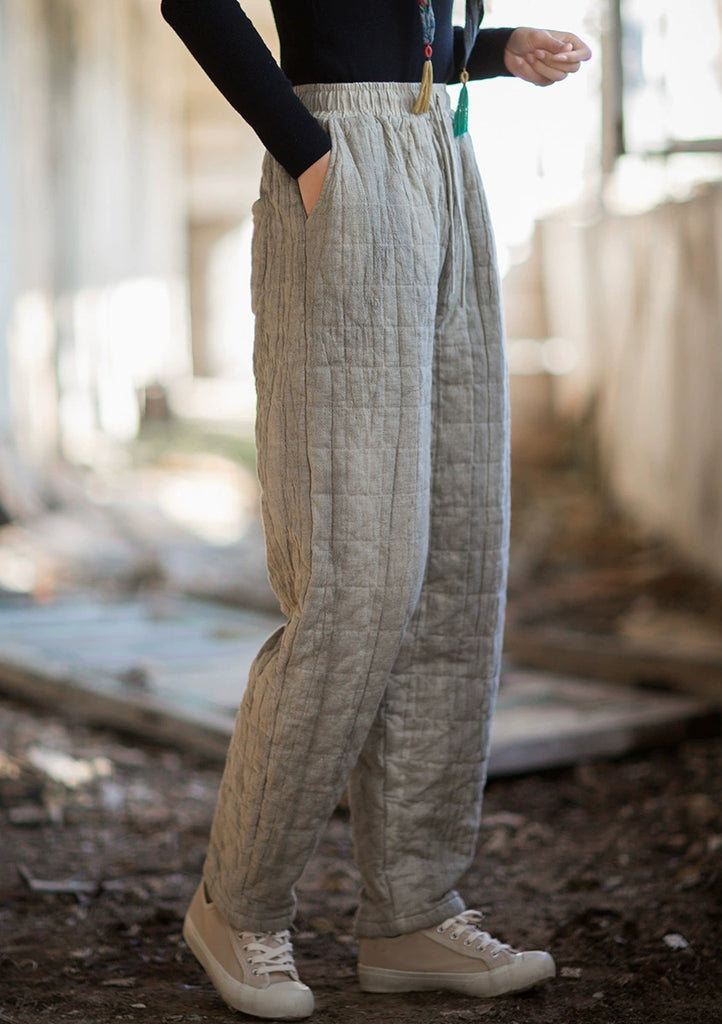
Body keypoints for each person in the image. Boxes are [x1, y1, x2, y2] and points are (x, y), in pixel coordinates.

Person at [160, 2, 591, 1019]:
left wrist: (491, 51)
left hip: (442, 158)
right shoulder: (322, 156)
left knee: (454, 565)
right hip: (343, 163)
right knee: (360, 576)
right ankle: (238, 904)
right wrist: (309, 151)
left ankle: (411, 911)